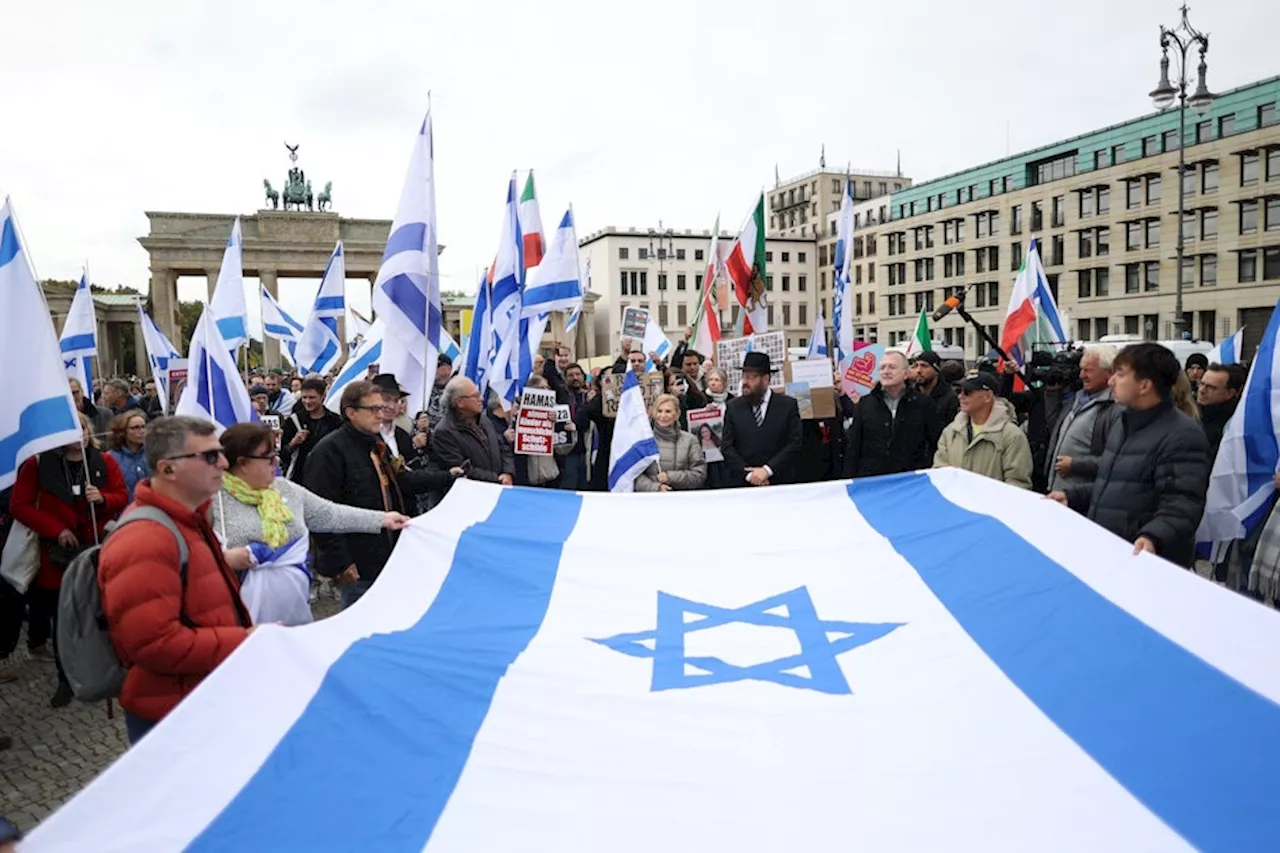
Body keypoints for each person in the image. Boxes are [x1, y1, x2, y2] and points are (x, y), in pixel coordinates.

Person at [98, 416, 253, 743]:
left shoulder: (189, 518)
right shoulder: (145, 539)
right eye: (210, 456)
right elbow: (154, 644)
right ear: (168, 469)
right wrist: (246, 640)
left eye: (221, 453)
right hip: (173, 714)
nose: (224, 463)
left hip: (202, 697)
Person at [212, 423, 410, 626]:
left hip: (293, 611)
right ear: (243, 463)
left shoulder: (285, 489)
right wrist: (224, 559)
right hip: (238, 617)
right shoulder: (212, 500)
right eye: (269, 458)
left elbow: (330, 514)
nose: (277, 462)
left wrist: (382, 519)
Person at [1049, 343, 1211, 568]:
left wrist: (1153, 537)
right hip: (1109, 552)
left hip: (1145, 561)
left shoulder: (1182, 435)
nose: (1111, 381)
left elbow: (1182, 502)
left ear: (1144, 385)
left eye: (1120, 374)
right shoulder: (1124, 424)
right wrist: (1072, 496)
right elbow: (1115, 483)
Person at [10, 413, 128, 707]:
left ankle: (105, 671)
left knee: (98, 613)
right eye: (72, 431)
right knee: (63, 618)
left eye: (83, 429)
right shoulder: (37, 465)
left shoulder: (104, 462)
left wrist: (102, 499)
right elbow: (20, 505)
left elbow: (121, 495)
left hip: (96, 550)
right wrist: (56, 528)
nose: (80, 435)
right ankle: (66, 679)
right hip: (56, 556)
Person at [304, 381, 416, 609]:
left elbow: (397, 483)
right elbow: (319, 511)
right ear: (351, 412)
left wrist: (448, 476)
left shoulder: (375, 444)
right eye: (373, 409)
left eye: (381, 408)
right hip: (358, 560)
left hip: (387, 552)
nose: (380, 414)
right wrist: (341, 562)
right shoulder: (328, 452)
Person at [424, 377, 514, 507]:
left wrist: (508, 473)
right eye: (475, 396)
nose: (481, 399)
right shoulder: (445, 432)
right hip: (469, 501)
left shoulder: (484, 421)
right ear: (459, 402)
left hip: (496, 493)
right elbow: (461, 469)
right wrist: (497, 479)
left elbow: (502, 447)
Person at [933, 372, 1033, 489]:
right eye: (959, 391)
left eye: (968, 392)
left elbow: (1018, 484)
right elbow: (940, 474)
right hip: (956, 505)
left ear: (987, 396)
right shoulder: (950, 432)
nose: (961, 396)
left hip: (991, 506)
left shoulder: (1011, 435)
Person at [844, 351, 934, 478]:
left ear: (906, 373)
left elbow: (932, 443)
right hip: (872, 480)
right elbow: (853, 446)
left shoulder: (923, 404)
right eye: (882, 368)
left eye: (892, 367)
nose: (886, 371)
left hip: (910, 480)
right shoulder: (865, 404)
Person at [1045, 344, 1120, 494]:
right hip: (1059, 494)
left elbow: (1118, 461)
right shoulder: (1077, 398)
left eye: (1088, 370)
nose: (1081, 375)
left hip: (1084, 499)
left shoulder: (1115, 408)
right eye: (1081, 369)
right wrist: (1053, 392)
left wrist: (1075, 465)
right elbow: (1054, 426)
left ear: (1109, 372)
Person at [721, 352, 803, 486]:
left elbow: (795, 443)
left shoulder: (787, 406)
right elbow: (727, 446)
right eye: (744, 377)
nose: (745, 382)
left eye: (751, 377)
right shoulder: (733, 407)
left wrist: (767, 470)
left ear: (765, 379)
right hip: (744, 483)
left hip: (779, 481)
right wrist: (750, 475)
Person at [635, 394, 706, 492]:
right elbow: (633, 475)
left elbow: (699, 474)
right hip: (651, 501)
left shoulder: (690, 440)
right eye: (659, 411)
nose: (663, 415)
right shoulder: (643, 441)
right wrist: (655, 488)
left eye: (668, 411)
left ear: (677, 414)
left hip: (683, 501)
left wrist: (670, 477)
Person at [279, 376, 342, 483]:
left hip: (329, 476)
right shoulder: (293, 421)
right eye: (304, 397)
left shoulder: (335, 421)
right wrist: (293, 443)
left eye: (312, 397)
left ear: (323, 396)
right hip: (300, 477)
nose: (307, 401)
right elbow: (283, 454)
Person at [1197, 362, 1247, 457]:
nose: (1202, 390)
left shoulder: (1235, 425)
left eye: (1211, 387)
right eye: (1202, 384)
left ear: (1230, 393)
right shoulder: (1191, 414)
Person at [910, 351, 959, 447]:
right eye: (916, 366)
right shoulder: (910, 396)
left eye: (924, 366)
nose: (919, 370)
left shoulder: (950, 398)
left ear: (936, 369)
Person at [107, 412, 151, 501]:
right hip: (125, 511)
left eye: (143, 427)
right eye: (135, 428)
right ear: (123, 431)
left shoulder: (153, 453)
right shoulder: (111, 458)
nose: (142, 431)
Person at [426, 355, 454, 428]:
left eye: (438, 366)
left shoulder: (455, 390)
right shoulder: (426, 388)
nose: (434, 369)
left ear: (449, 369)